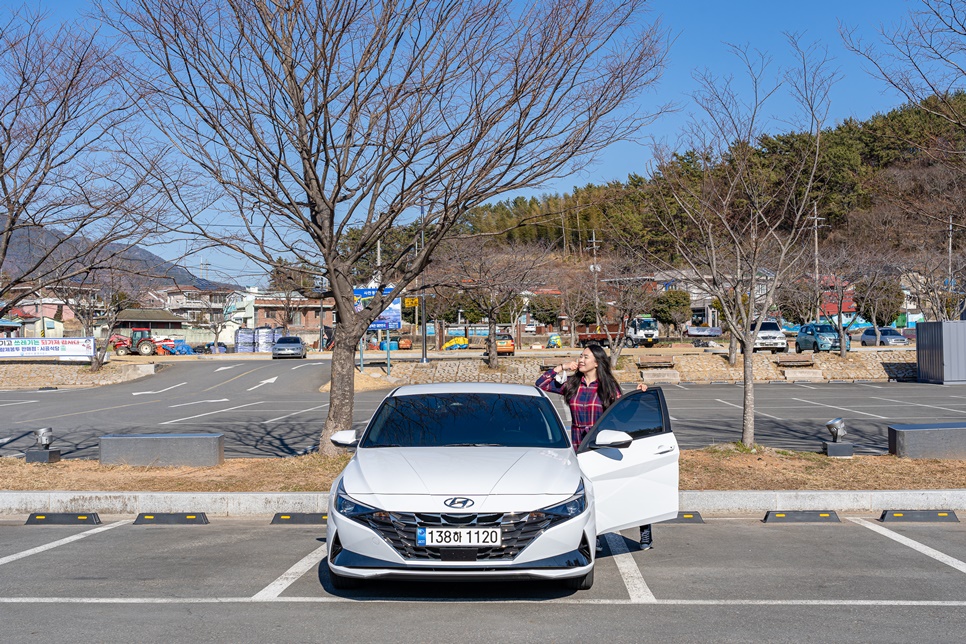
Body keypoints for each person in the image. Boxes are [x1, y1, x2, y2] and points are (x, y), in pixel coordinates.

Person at [535, 343, 652, 551]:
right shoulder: (572, 385)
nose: (581, 360)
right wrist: (561, 367)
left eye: (585, 357)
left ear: (596, 362)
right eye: (580, 356)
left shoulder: (608, 387)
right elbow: (540, 384)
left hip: (602, 443)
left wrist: (638, 396)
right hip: (579, 444)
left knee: (617, 489)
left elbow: (623, 415)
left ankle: (645, 527)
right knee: (588, 493)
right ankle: (594, 537)